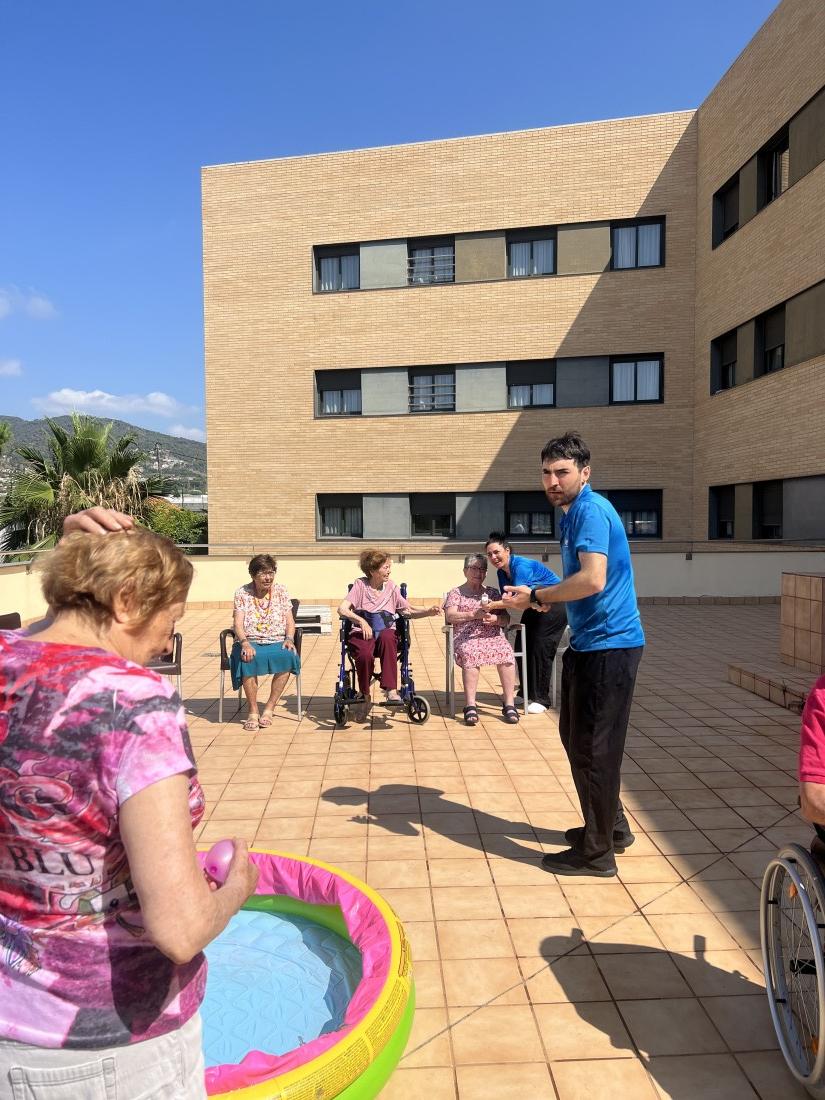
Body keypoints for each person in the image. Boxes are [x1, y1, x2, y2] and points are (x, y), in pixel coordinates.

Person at [0, 520, 258, 1098]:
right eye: (171, 621)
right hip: (109, 1045)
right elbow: (180, 931)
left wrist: (78, 553)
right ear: (125, 600)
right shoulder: (134, 700)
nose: (167, 643)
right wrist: (237, 886)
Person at [502, 431, 645, 878]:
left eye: (562, 472)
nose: (552, 481)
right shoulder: (572, 514)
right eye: (546, 472)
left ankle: (597, 853)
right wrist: (546, 599)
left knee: (594, 750)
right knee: (578, 741)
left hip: (609, 646)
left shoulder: (589, 510)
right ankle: (611, 827)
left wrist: (537, 595)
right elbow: (581, 585)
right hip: (590, 643)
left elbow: (593, 579)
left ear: (585, 473)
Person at [337, 549, 440, 714]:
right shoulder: (360, 585)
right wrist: (361, 621)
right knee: (364, 654)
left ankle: (391, 690)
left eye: (389, 567)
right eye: (385, 567)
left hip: (385, 634)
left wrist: (428, 611)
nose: (389, 571)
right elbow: (342, 609)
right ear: (372, 570)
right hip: (363, 632)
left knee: (388, 636)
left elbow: (407, 610)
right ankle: (364, 693)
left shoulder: (391, 587)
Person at [485, 532, 566, 713]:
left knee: (540, 647)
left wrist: (490, 605)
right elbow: (508, 598)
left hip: (555, 604)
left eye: (496, 552)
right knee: (520, 644)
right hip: (534, 606)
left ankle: (541, 699)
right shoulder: (501, 572)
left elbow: (518, 600)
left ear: (507, 551)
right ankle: (526, 691)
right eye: (489, 554)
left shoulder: (521, 566)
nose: (493, 557)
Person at [444, 553, 519, 725]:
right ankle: (470, 705)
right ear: (465, 571)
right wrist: (473, 614)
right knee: (471, 652)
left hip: (492, 635)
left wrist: (496, 619)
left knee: (506, 652)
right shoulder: (456, 593)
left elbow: (506, 618)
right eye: (474, 568)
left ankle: (509, 704)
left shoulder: (492, 592)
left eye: (483, 569)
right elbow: (450, 616)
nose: (479, 573)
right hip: (465, 637)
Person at [231, 554, 300, 730]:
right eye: (263, 573)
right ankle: (253, 711)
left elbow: (290, 622)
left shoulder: (281, 591)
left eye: (271, 573)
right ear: (253, 575)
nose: (268, 577)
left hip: (277, 640)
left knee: (287, 656)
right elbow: (238, 624)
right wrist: (245, 643)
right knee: (247, 657)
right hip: (250, 640)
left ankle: (269, 708)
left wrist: (289, 639)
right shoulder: (242, 593)